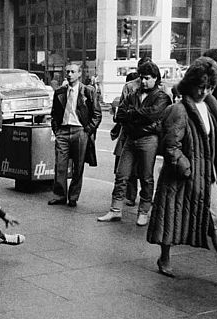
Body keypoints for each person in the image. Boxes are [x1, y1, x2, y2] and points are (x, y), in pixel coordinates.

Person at [147, 57, 217, 289]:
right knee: (171, 215)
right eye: (201, 86)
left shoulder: (209, 106)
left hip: (206, 175)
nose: (205, 91)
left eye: (209, 87)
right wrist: (185, 167)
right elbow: (170, 146)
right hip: (183, 175)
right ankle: (164, 257)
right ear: (191, 83)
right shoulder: (178, 110)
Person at [99, 60, 169, 225]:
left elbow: (153, 115)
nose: (143, 81)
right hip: (133, 138)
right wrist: (138, 116)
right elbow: (120, 115)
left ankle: (143, 211)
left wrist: (132, 114)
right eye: (142, 78)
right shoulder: (134, 94)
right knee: (121, 175)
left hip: (147, 139)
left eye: (147, 78)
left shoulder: (162, 97)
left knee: (146, 176)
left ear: (155, 78)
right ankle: (115, 209)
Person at [49, 61, 102, 208]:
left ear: (79, 74)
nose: (70, 74)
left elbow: (97, 114)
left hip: (80, 131)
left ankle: (73, 196)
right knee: (60, 165)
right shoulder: (60, 92)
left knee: (78, 167)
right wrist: (57, 130)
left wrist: (88, 130)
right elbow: (54, 114)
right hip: (63, 131)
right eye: (68, 72)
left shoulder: (88, 91)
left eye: (73, 72)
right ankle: (59, 195)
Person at [110, 72, 140, 207]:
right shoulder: (130, 88)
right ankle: (128, 196)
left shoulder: (130, 87)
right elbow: (121, 111)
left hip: (132, 132)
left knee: (130, 168)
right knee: (128, 168)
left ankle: (129, 196)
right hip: (128, 131)